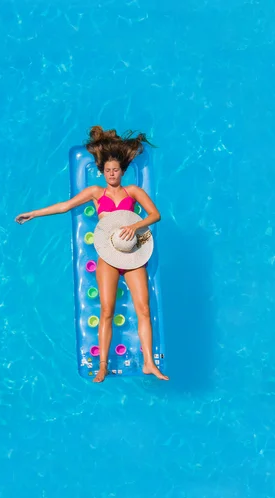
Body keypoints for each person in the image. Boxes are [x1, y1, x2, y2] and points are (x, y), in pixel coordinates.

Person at [15, 126, 169, 383]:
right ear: (102, 172)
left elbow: (155, 215)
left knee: (143, 307)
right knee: (107, 310)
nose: (111, 174)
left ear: (122, 171)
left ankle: (149, 364)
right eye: (107, 170)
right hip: (109, 256)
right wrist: (34, 213)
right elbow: (65, 206)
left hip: (132, 255)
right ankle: (102, 366)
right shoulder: (96, 194)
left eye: (116, 170)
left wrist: (135, 226)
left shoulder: (133, 192)